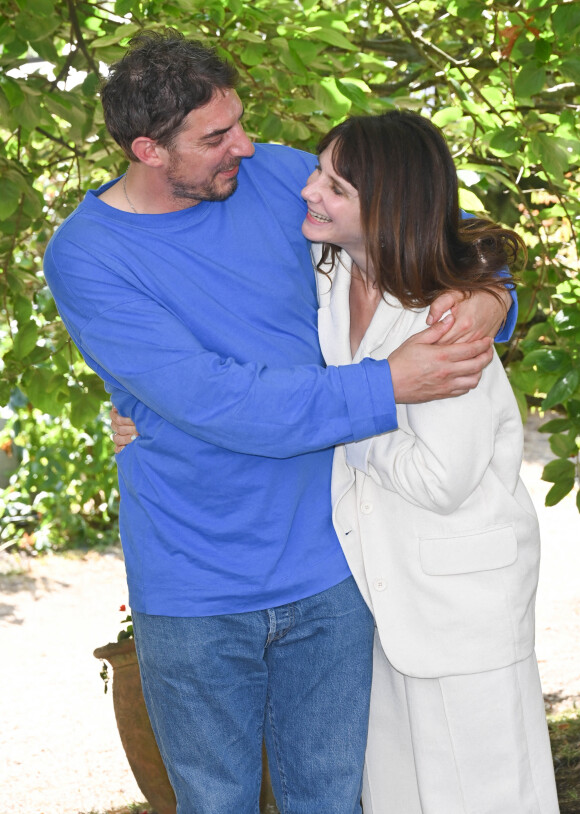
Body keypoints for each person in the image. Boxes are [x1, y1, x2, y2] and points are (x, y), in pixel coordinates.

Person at [44, 30, 516, 814]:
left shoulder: (283, 178)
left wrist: (489, 296)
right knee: (215, 803)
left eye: (239, 121)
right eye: (216, 136)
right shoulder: (88, 255)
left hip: (333, 564)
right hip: (194, 579)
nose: (247, 144)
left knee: (331, 800)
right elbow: (217, 400)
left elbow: (436, 229)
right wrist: (386, 384)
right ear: (148, 150)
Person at [301, 111, 558, 813]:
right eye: (317, 172)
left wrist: (336, 412)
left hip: (460, 601)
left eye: (335, 186)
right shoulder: (330, 273)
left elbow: (440, 479)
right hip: (382, 594)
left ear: (386, 207)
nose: (309, 192)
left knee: (486, 798)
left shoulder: (441, 314)